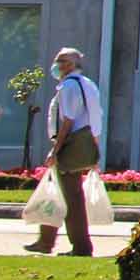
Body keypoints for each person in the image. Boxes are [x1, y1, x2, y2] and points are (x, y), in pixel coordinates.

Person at [26, 48, 101, 256]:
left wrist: (55, 150)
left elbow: (68, 121)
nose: (57, 65)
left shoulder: (69, 86)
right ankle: (46, 239)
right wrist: (95, 148)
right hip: (84, 144)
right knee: (60, 192)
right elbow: (95, 117)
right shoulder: (88, 85)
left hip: (70, 145)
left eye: (61, 61)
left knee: (70, 198)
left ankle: (80, 246)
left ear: (70, 64)